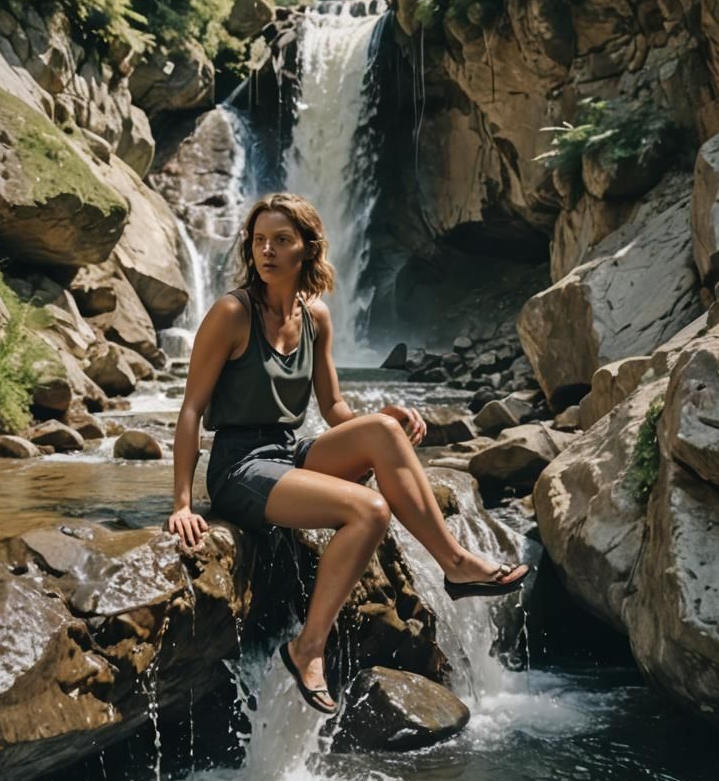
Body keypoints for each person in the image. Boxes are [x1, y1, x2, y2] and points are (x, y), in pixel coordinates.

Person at [168, 193, 529, 714]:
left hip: (288, 450)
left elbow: (334, 407)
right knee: (370, 510)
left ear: (307, 248)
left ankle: (455, 564)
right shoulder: (232, 313)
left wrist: (382, 416)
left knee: (382, 431)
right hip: (240, 467)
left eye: (281, 240)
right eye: (259, 240)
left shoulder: (315, 317)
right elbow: (190, 409)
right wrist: (182, 503)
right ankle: (307, 648)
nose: (267, 250)